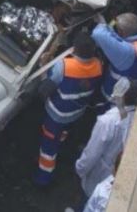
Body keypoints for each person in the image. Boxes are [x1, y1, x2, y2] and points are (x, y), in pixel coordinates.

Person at [34, 32, 103, 186]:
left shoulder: (64, 66)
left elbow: (44, 90)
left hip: (57, 116)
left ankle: (42, 179)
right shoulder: (98, 65)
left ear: (74, 49)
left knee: (48, 149)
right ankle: (61, 141)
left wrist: (43, 67)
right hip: (76, 113)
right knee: (63, 132)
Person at [75, 80, 137, 201]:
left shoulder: (107, 121)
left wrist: (80, 168)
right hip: (115, 170)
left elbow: (92, 153)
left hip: (101, 171)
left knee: (92, 198)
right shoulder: (136, 117)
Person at [91, 13, 137, 111]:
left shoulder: (126, 53)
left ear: (122, 32)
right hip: (128, 93)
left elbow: (98, 34)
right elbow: (118, 39)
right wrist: (107, 25)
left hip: (113, 99)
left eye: (116, 27)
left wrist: (103, 26)